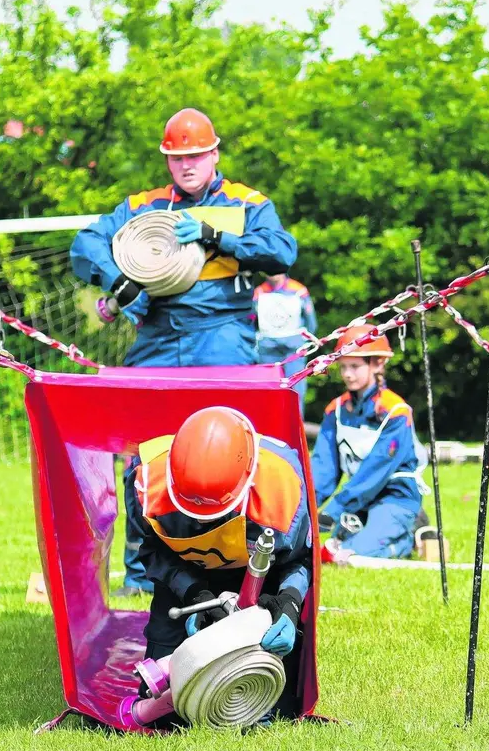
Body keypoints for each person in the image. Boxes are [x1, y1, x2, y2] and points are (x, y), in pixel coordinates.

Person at [69, 107, 299, 596]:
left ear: (214, 153)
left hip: (223, 336)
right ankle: (142, 573)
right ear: (168, 161)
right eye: (177, 158)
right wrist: (119, 283)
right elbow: (84, 245)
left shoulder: (247, 202)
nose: (187, 165)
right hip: (156, 338)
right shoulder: (141, 205)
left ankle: (239, 561)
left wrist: (218, 237)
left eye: (196, 155)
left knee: (232, 447)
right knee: (142, 450)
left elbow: (282, 251)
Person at [131, 406, 312, 719]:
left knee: (273, 709)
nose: (199, 518)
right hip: (185, 578)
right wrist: (195, 595)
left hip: (258, 579)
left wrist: (289, 607)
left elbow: (299, 561)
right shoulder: (149, 483)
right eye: (190, 510)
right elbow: (152, 551)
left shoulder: (283, 494)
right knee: (166, 712)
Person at [310, 324, 426, 563]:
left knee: (348, 555)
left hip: (394, 498)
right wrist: (305, 508)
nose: (347, 374)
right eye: (343, 367)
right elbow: (324, 468)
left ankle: (410, 533)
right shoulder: (336, 410)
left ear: (378, 364)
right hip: (358, 502)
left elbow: (375, 472)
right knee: (326, 548)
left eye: (355, 366)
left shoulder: (396, 412)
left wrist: (334, 509)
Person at [252, 274, 318, 403]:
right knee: (267, 392)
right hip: (267, 349)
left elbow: (311, 322)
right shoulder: (259, 292)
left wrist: (304, 341)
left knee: (296, 392)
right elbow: (251, 321)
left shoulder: (298, 290)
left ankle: (295, 422)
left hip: (294, 349)